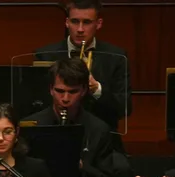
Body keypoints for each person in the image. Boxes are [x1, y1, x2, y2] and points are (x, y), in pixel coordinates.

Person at [22, 57, 128, 177]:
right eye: (60, 91)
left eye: (73, 92)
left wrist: (81, 166)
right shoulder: (31, 125)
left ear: (84, 90)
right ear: (51, 89)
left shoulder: (98, 129)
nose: (65, 99)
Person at [34, 0, 131, 134]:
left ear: (98, 24)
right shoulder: (45, 55)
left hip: (102, 136)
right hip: (54, 132)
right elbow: (36, 104)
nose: (80, 29)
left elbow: (124, 109)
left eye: (86, 22)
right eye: (75, 22)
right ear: (67, 22)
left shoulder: (116, 57)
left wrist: (96, 89)